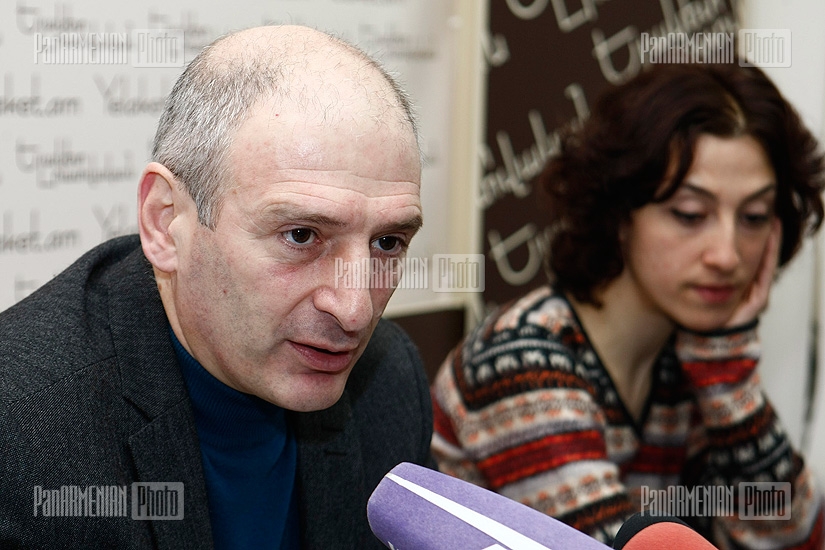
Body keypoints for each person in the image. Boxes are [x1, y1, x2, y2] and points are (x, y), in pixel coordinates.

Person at [0, 25, 434, 549]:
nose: (355, 309)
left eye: (387, 243)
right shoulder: (23, 429)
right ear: (165, 223)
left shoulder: (387, 383)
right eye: (301, 236)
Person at [431, 62, 825, 548]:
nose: (727, 254)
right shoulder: (521, 359)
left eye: (754, 216)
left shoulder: (694, 357)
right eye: (689, 214)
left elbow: (793, 538)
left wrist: (727, 376)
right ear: (619, 213)